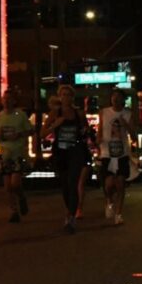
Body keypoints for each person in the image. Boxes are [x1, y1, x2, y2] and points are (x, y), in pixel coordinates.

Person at [44, 85, 91, 234]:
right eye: (63, 95)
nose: (66, 97)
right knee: (65, 185)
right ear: (59, 97)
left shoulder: (79, 114)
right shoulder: (54, 113)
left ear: (72, 97)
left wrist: (85, 132)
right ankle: (69, 211)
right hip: (60, 152)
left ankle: (71, 217)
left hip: (75, 151)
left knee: (73, 182)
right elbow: (41, 133)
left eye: (69, 95)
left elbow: (86, 131)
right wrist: (54, 126)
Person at [0, 89, 34, 223]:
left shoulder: (20, 115)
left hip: (18, 153)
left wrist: (19, 135)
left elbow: (30, 130)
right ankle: (13, 211)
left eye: (9, 99)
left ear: (14, 101)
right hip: (5, 153)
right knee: (7, 186)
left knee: (15, 183)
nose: (6, 101)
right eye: (4, 98)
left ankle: (21, 197)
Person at [98, 88, 134, 225]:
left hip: (122, 153)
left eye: (119, 97)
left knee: (120, 184)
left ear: (123, 100)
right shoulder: (104, 112)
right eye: (114, 96)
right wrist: (98, 143)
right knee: (108, 185)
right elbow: (100, 130)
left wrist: (125, 124)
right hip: (107, 152)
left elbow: (134, 135)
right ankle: (109, 201)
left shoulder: (127, 113)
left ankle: (118, 214)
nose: (116, 99)